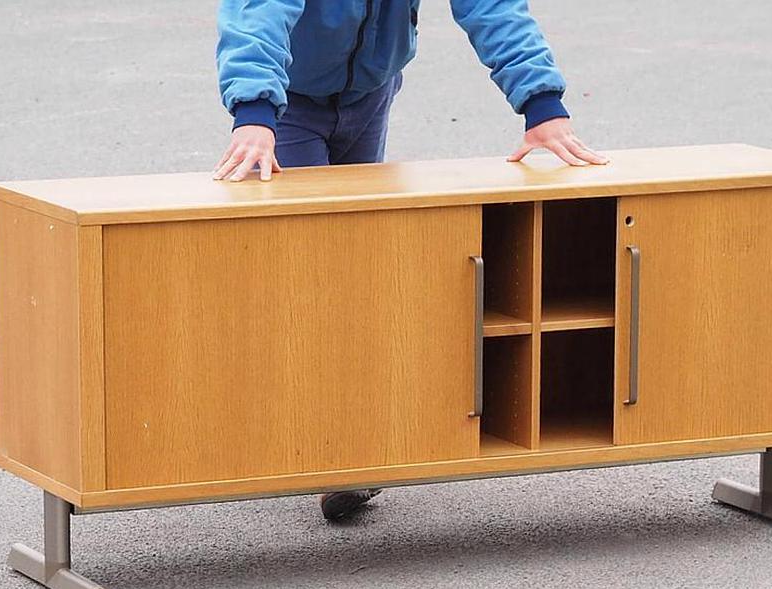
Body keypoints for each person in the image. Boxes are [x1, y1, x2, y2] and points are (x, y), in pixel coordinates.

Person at [214, 0, 607, 522]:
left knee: (358, 266)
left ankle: (351, 451)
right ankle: (306, 439)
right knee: (312, 274)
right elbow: (258, 11)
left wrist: (542, 103)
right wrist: (254, 110)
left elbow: (491, 6)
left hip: (370, 93)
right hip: (290, 103)